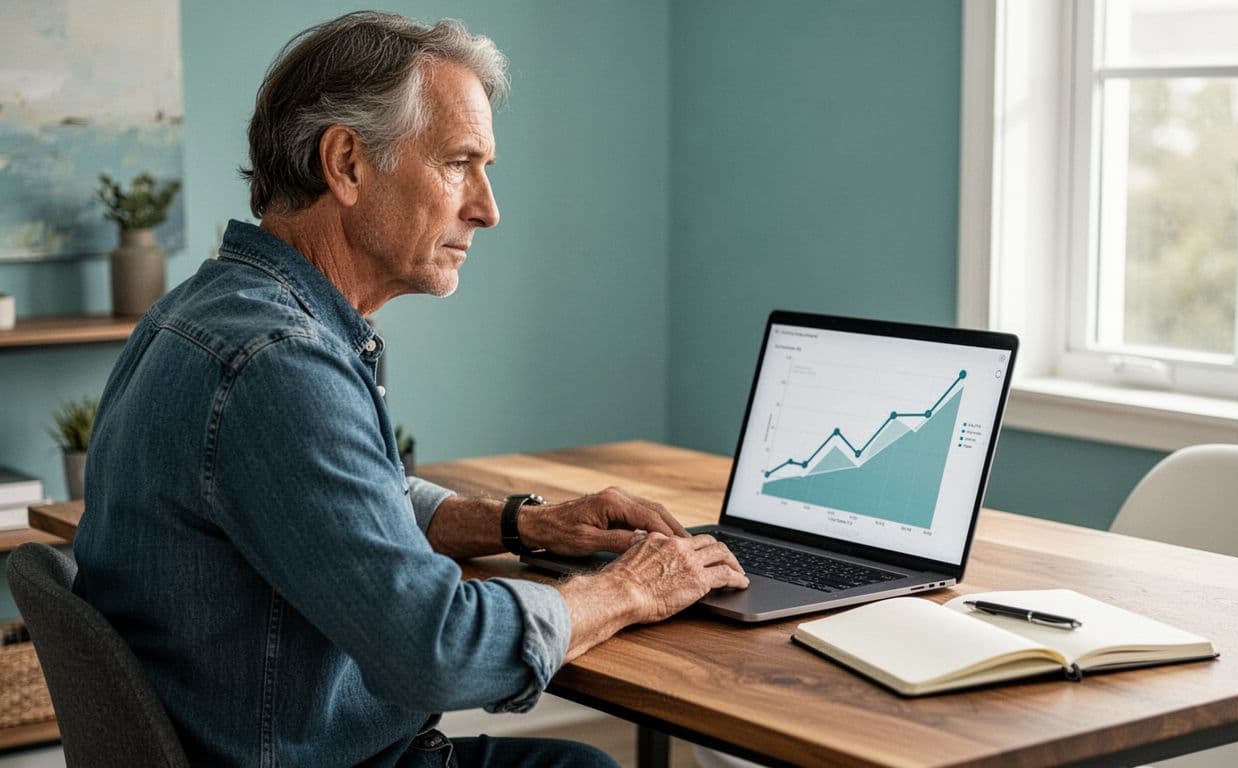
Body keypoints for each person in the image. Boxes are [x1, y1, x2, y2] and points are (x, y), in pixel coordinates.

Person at [72, 11, 747, 767]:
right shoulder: (279, 364)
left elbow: (356, 503)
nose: (487, 209)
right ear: (348, 164)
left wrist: (523, 526)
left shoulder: (205, 312)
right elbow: (440, 651)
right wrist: (628, 589)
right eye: (460, 162)